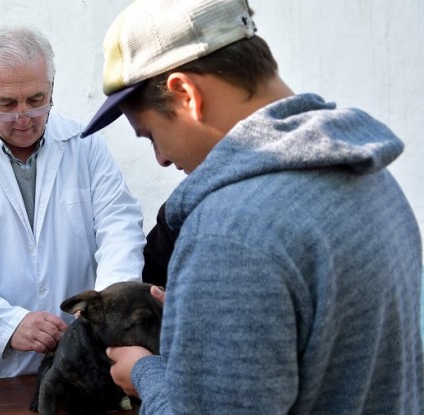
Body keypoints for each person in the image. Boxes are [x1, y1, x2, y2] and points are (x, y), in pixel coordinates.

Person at [82, 0, 424, 413]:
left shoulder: (229, 234)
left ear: (185, 94)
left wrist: (148, 374)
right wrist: (210, 315)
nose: (162, 160)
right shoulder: (373, 177)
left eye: (151, 135)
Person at [0, 26, 146, 379]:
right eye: (7, 104)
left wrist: (103, 308)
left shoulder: (87, 148)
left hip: (84, 360)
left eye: (37, 100)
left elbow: (121, 230)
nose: (23, 117)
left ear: (52, 87)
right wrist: (8, 323)